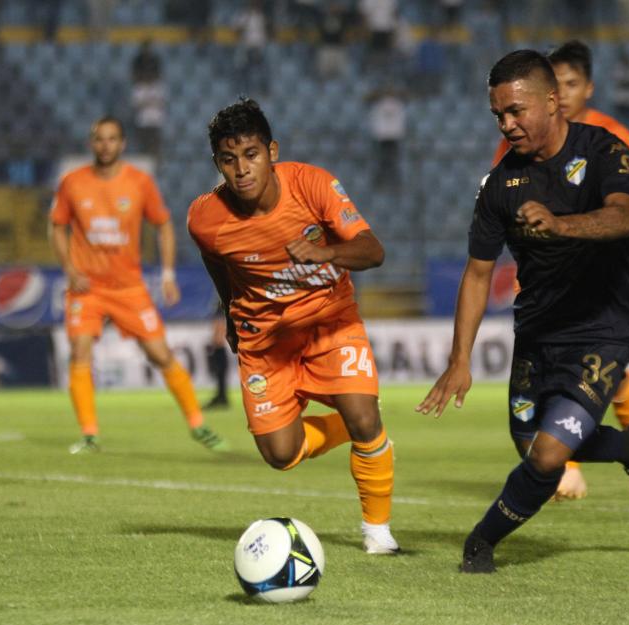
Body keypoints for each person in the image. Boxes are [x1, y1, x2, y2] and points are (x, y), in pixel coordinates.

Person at [416, 50, 629, 574]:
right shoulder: (501, 185)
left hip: (604, 325)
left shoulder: (604, 150)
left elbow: (626, 216)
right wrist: (459, 359)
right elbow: (479, 272)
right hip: (538, 329)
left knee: (550, 456)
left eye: (515, 111)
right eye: (498, 116)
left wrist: (561, 225)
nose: (506, 125)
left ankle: (481, 541)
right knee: (529, 442)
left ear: (553, 101)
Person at [187, 98, 399, 554]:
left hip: (330, 323)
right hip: (264, 343)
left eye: (251, 155)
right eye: (229, 159)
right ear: (217, 164)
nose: (242, 169)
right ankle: (349, 427)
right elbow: (215, 261)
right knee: (281, 456)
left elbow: (372, 250)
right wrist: (228, 310)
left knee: (365, 417)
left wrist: (326, 253)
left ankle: (378, 533)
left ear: (272, 152)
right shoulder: (205, 218)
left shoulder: (313, 185)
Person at [490, 40, 629, 502]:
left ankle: (628, 455)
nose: (564, 92)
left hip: (598, 286)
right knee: (555, 381)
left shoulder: (610, 136)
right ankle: (587, 460)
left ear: (588, 88)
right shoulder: (519, 138)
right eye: (557, 82)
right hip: (545, 285)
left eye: (572, 83)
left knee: (602, 378)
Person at [49, 116, 225, 454]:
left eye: (112, 138)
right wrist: (69, 269)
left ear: (122, 143)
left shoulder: (140, 182)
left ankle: (198, 425)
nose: (105, 145)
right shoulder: (72, 183)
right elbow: (56, 226)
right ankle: (89, 434)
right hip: (87, 288)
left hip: (129, 287)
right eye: (99, 139)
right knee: (79, 351)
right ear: (91, 143)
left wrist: (169, 274)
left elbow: (164, 225)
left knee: (160, 354)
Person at [203, 304, 230, 409]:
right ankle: (221, 395)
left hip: (219, 349)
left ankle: (222, 396)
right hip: (220, 350)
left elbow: (218, 337)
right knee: (217, 342)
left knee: (218, 341)